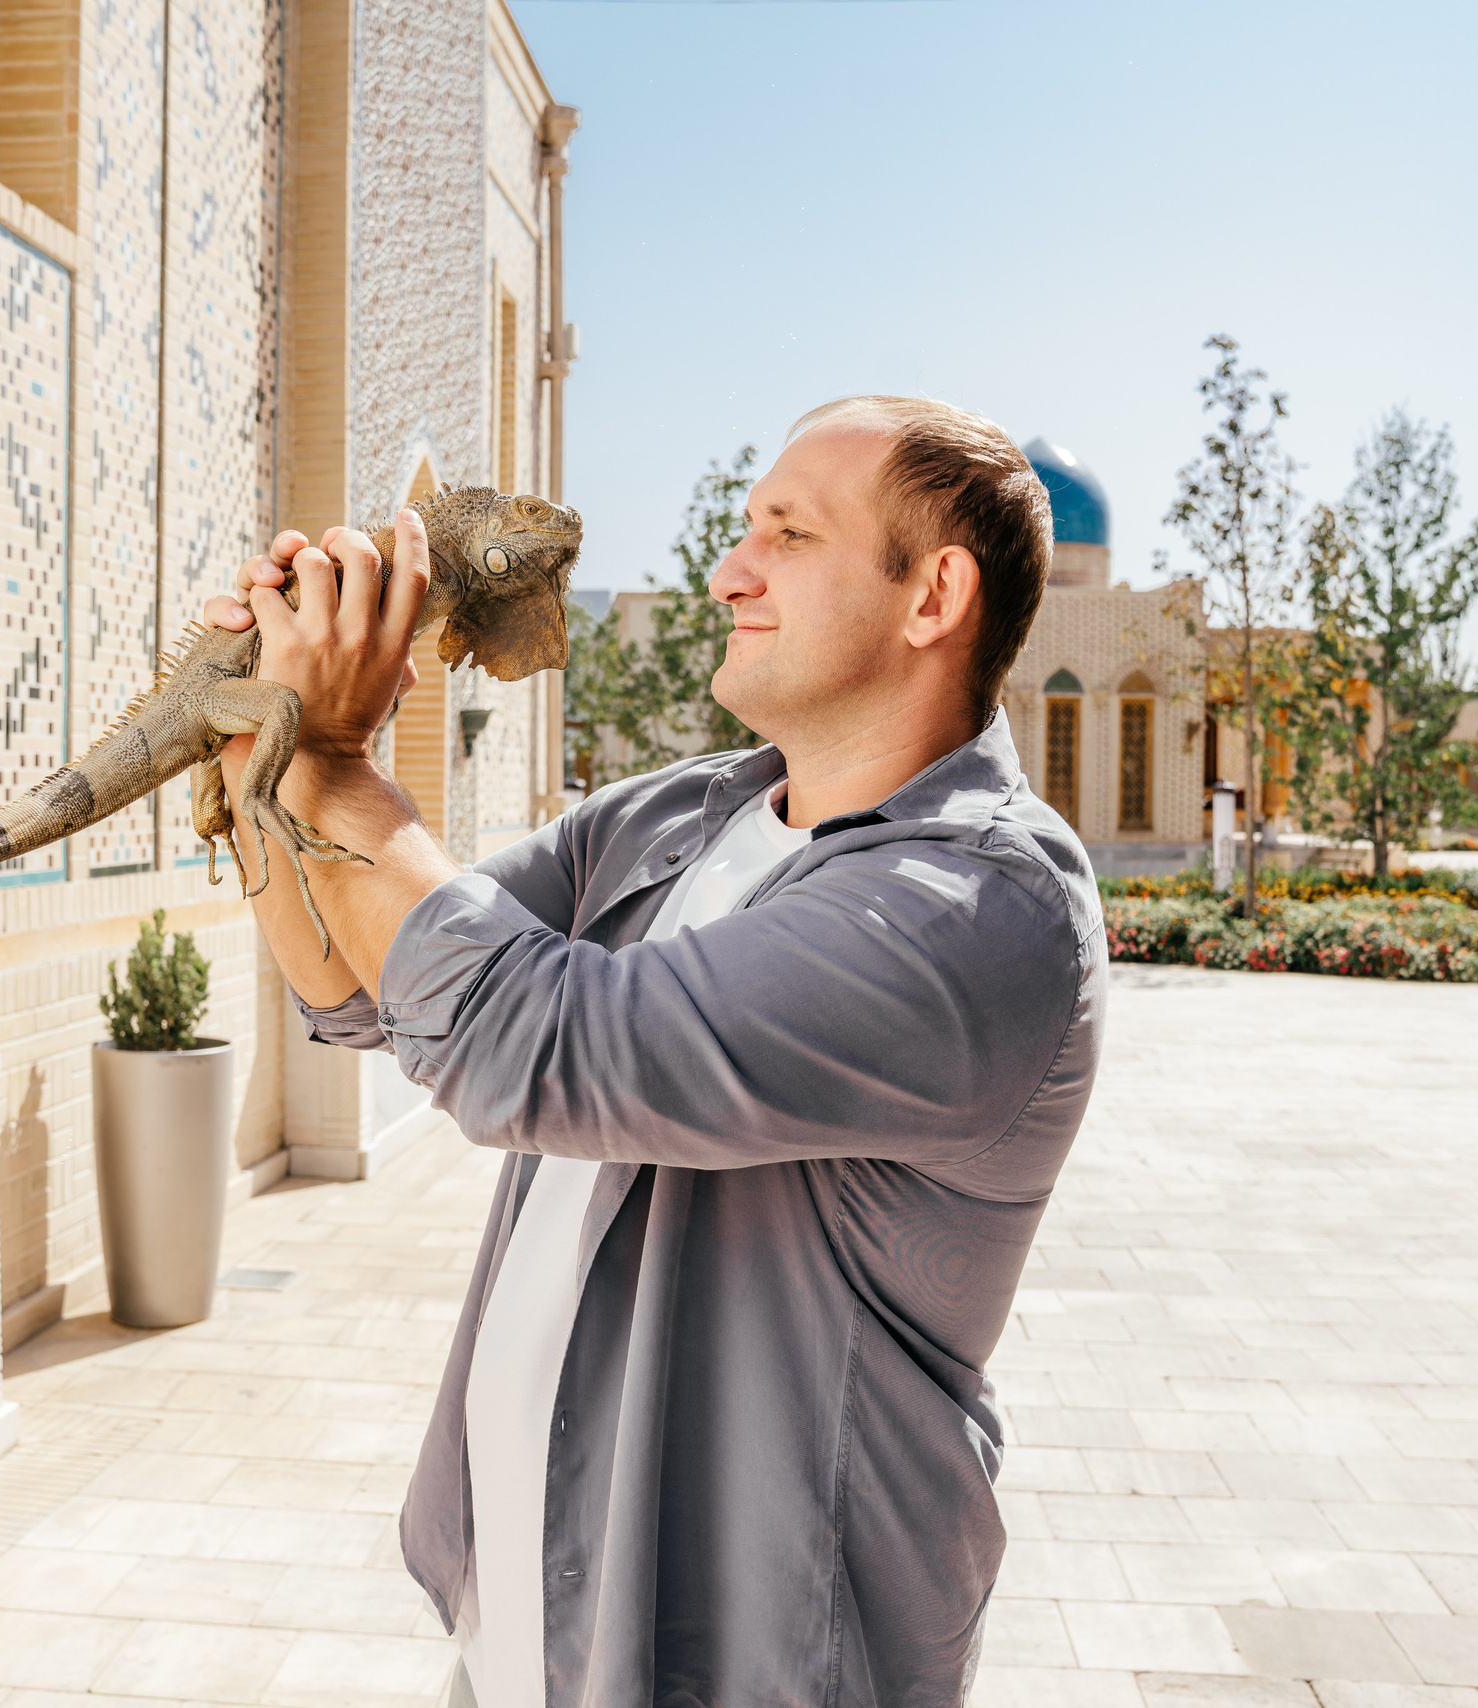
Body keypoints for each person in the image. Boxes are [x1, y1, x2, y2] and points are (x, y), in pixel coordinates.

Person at [203, 396, 1103, 1708]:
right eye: (745, 530)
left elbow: (547, 1050)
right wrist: (266, 753)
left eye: (788, 536)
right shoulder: (674, 816)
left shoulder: (982, 907)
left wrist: (336, 756)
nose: (730, 570)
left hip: (747, 1664)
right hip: (521, 1621)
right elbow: (358, 982)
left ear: (933, 596)